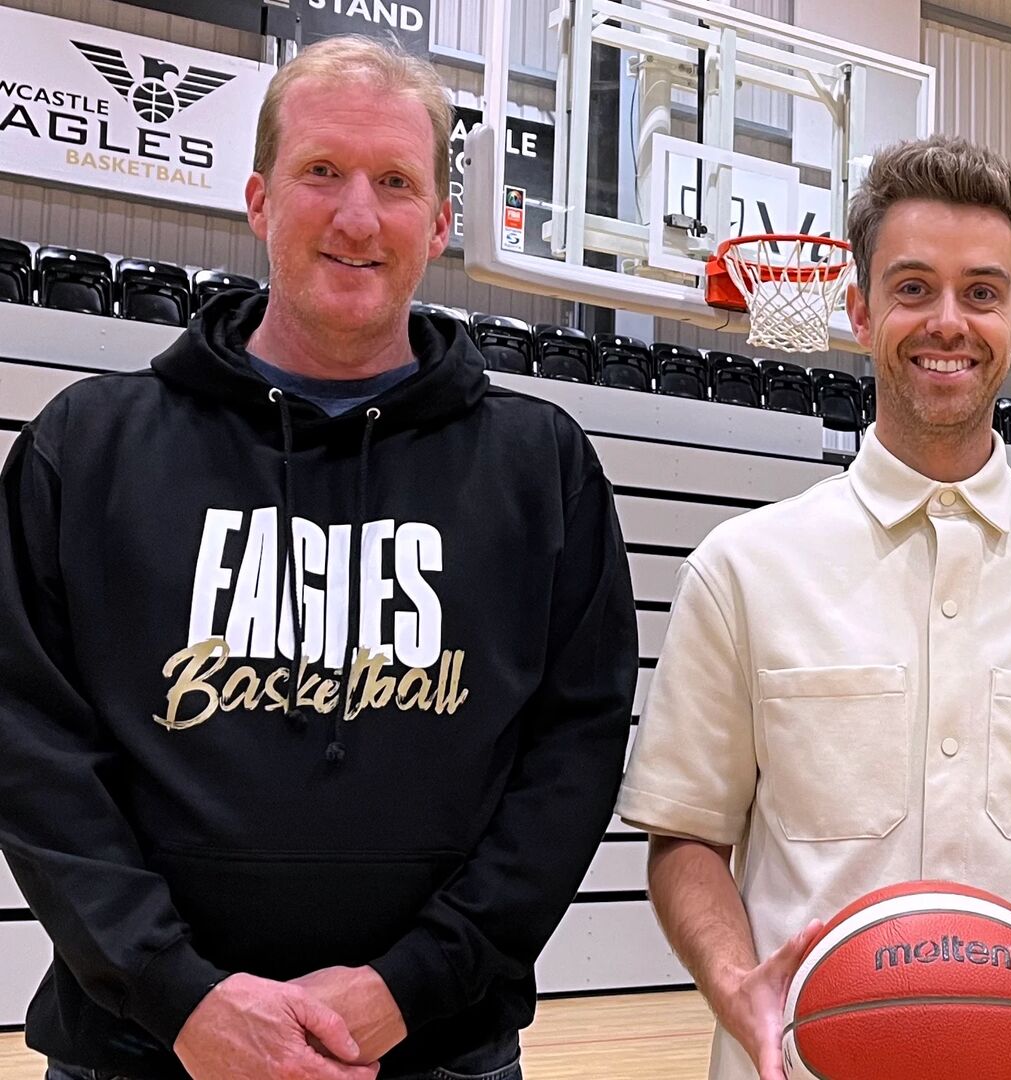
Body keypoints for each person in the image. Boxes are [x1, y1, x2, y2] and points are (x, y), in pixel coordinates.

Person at [0, 35, 636, 1080]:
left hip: (435, 1049)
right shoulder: (88, 449)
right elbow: (32, 754)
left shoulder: (540, 468)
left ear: (438, 222)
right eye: (321, 172)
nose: (356, 216)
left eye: (394, 182)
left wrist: (413, 984)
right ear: (258, 199)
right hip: (141, 1048)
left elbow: (571, 760)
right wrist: (180, 996)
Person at [616, 134, 1011, 1080]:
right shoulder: (740, 571)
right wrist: (737, 981)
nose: (949, 321)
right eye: (912, 289)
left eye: (981, 292)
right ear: (859, 311)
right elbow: (687, 833)